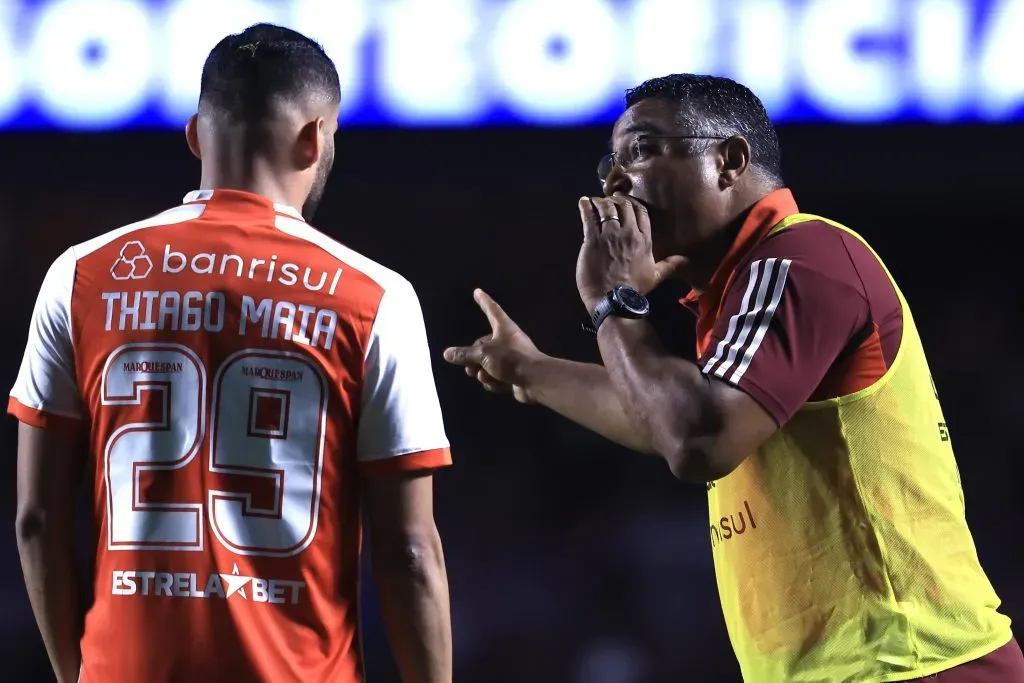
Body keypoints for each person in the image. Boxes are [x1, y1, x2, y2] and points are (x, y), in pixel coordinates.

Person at [443, 73, 1023, 682]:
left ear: (728, 160)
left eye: (640, 151)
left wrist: (612, 299)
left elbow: (698, 440)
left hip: (912, 665)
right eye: (609, 165)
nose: (615, 184)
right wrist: (531, 372)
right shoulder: (739, 291)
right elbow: (663, 421)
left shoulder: (802, 260)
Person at [10, 23, 453, 683]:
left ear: (195, 135)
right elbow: (410, 550)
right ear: (316, 138)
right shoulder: (376, 297)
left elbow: (37, 522)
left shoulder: (80, 275)